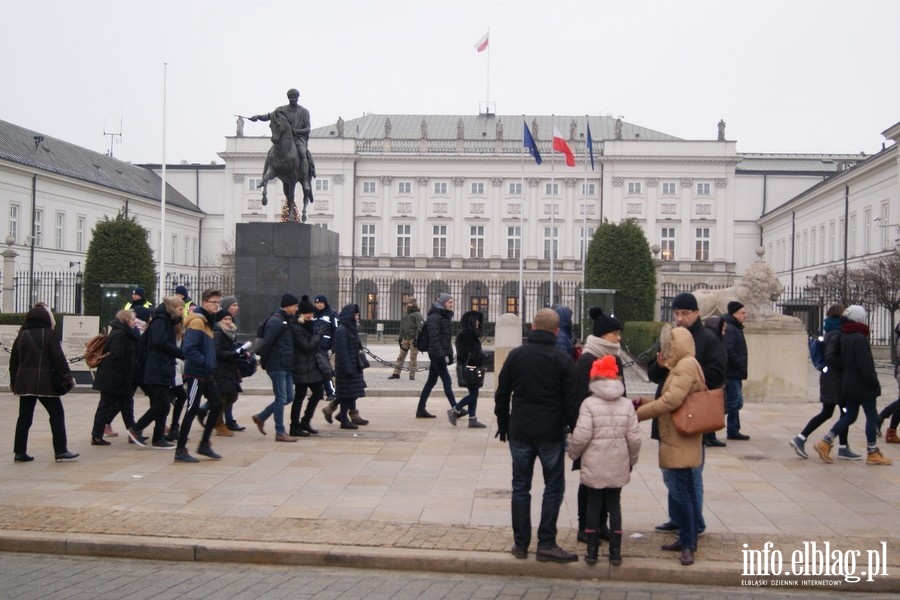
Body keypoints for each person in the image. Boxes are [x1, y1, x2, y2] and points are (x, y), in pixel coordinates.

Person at [494, 308, 578, 563]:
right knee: (553, 486)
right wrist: (569, 426)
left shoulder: (517, 355)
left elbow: (501, 393)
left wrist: (503, 422)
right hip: (550, 431)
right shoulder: (562, 359)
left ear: (531, 327)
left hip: (520, 428)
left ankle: (521, 545)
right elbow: (571, 401)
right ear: (556, 331)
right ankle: (546, 542)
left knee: (520, 486)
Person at [648, 292, 725, 536]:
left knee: (692, 473)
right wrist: (661, 366)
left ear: (697, 313)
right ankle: (677, 517)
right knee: (670, 471)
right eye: (677, 313)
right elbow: (653, 374)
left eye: (685, 313)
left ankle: (695, 522)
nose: (680, 318)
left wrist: (688, 372)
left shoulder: (708, 339)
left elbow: (718, 374)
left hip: (692, 415)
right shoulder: (672, 338)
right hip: (669, 417)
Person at [637, 326, 707, 566]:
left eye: (670, 345)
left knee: (681, 492)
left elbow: (672, 400)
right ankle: (686, 539)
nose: (666, 350)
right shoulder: (683, 364)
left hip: (680, 439)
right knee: (682, 491)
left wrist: (641, 412)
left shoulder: (686, 366)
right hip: (677, 437)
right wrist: (645, 402)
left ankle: (688, 544)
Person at [568, 355, 641, 566]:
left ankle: (591, 551)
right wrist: (631, 460)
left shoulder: (589, 404)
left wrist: (574, 454)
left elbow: (581, 436)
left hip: (594, 462)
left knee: (593, 504)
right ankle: (616, 552)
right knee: (614, 505)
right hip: (618, 461)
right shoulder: (626, 404)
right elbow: (634, 439)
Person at [814, 305, 892, 466]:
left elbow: (835, 358)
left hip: (848, 383)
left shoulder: (844, 335)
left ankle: (826, 441)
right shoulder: (858, 337)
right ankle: (872, 452)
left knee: (850, 415)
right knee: (871, 415)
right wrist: (874, 383)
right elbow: (865, 365)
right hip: (862, 384)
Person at [572, 307, 625, 545]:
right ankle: (585, 526)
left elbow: (622, 392)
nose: (618, 338)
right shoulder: (587, 360)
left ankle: (601, 523)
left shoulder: (616, 359)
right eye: (615, 333)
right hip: (592, 431)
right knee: (589, 482)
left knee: (610, 480)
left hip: (613, 432)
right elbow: (578, 398)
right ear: (603, 335)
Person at [10, 304, 79, 463]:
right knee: (56, 414)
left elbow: (14, 361)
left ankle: (19, 452)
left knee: (24, 418)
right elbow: (58, 359)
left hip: (25, 383)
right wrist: (67, 378)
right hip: (45, 382)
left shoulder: (22, 335)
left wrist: (14, 381)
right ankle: (60, 450)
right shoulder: (49, 334)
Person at [789, 304, 859, 459]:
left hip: (831, 378)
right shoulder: (837, 333)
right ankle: (802, 438)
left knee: (837, 412)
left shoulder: (830, 330)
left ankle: (841, 446)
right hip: (836, 379)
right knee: (840, 412)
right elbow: (831, 356)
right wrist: (846, 364)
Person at [174, 289, 225, 462]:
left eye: (218, 302)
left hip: (206, 372)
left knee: (217, 404)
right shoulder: (197, 322)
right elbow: (188, 349)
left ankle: (204, 444)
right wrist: (204, 361)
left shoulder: (209, 321)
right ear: (204, 303)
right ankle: (180, 450)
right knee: (192, 409)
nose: (217, 305)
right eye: (213, 302)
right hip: (196, 372)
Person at [131, 296, 185, 449]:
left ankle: (158, 437)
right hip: (156, 367)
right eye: (180, 309)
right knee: (162, 403)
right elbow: (159, 341)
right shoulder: (161, 320)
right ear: (173, 308)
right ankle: (136, 428)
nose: (182, 312)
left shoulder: (166, 320)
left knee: (163, 404)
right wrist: (180, 353)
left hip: (163, 366)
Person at [250, 88, 314, 200]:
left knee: (303, 153)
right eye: (291, 97)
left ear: (298, 98)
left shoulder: (304, 112)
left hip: (298, 139)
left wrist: (296, 131)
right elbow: (269, 116)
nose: (293, 99)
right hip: (284, 139)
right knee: (270, 153)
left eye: (295, 97)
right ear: (288, 98)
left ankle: (305, 180)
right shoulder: (281, 111)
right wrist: (258, 117)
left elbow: (308, 129)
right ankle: (264, 177)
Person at [252, 294, 299, 442]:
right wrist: (264, 362)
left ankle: (261, 417)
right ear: (287, 306)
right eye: (295, 306)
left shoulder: (286, 320)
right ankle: (280, 431)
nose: (297, 309)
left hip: (286, 364)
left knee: (289, 396)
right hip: (277, 365)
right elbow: (267, 344)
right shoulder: (276, 321)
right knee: (281, 398)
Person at [90, 309, 140, 446]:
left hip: (118, 377)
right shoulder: (120, 334)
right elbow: (117, 356)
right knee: (106, 406)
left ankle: (133, 434)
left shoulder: (122, 332)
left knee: (126, 406)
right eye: (132, 319)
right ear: (125, 320)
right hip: (115, 378)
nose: (134, 322)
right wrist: (125, 372)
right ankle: (97, 436)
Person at [289, 296, 328, 436]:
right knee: (299, 396)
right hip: (301, 366)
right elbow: (306, 346)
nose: (310, 315)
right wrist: (318, 335)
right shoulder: (296, 327)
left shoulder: (309, 325)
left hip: (311, 366)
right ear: (301, 313)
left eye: (311, 313)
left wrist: (317, 334)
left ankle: (305, 421)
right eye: (307, 313)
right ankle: (294, 426)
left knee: (318, 392)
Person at [415, 293, 457, 419]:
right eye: (449, 302)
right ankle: (456, 409)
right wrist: (440, 355)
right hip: (435, 353)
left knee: (431, 381)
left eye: (452, 302)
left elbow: (446, 338)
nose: (451, 304)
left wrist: (449, 354)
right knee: (447, 381)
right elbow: (434, 338)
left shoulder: (444, 316)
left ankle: (420, 409)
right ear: (444, 303)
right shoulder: (434, 317)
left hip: (440, 352)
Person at [333, 303, 369, 429]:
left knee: (353, 393)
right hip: (347, 368)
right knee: (346, 395)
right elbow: (342, 351)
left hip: (354, 366)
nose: (358, 317)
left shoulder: (350, 329)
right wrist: (348, 368)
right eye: (356, 314)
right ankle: (343, 420)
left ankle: (342, 416)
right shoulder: (342, 330)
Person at [449, 310, 487, 428]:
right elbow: (465, 354)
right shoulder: (464, 335)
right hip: (469, 368)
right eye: (475, 321)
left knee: (474, 393)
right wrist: (481, 355)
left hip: (473, 368)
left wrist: (481, 354)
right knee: (474, 394)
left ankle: (472, 419)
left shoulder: (471, 335)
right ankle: (455, 410)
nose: (477, 323)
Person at [211, 310, 245, 438]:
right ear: (219, 321)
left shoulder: (230, 333)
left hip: (229, 368)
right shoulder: (218, 333)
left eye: (230, 319)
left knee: (232, 396)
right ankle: (218, 424)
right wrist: (234, 353)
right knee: (223, 397)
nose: (228, 322)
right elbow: (217, 352)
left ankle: (213, 417)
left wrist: (241, 351)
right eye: (225, 319)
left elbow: (231, 347)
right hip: (220, 369)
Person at [722, 301, 750, 440]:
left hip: (735, 372)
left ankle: (733, 429)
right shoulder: (731, 328)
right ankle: (710, 425)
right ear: (734, 313)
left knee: (735, 401)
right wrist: (738, 363)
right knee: (734, 402)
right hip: (731, 372)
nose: (745, 315)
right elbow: (728, 349)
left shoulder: (735, 327)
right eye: (742, 313)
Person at [313, 294, 341, 423]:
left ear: (325, 303)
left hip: (325, 347)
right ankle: (318, 392)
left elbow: (336, 330)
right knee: (315, 371)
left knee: (326, 371)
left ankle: (331, 392)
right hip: (313, 346)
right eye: (317, 303)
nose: (319, 305)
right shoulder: (313, 314)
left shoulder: (331, 314)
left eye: (321, 303)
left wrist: (333, 347)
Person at [220, 296, 246, 431]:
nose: (237, 308)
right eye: (234, 305)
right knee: (227, 393)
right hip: (223, 365)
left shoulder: (231, 324)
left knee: (230, 393)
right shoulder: (219, 327)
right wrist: (236, 351)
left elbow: (232, 343)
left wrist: (242, 348)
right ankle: (224, 421)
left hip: (230, 363)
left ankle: (228, 419)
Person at [389, 299, 423, 381]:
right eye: (408, 303)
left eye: (410, 303)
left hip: (413, 339)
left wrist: (417, 338)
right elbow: (401, 326)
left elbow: (420, 327)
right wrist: (400, 337)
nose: (408, 304)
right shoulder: (405, 314)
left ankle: (412, 375)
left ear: (414, 304)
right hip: (405, 338)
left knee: (413, 357)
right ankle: (396, 373)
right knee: (400, 357)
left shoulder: (417, 314)